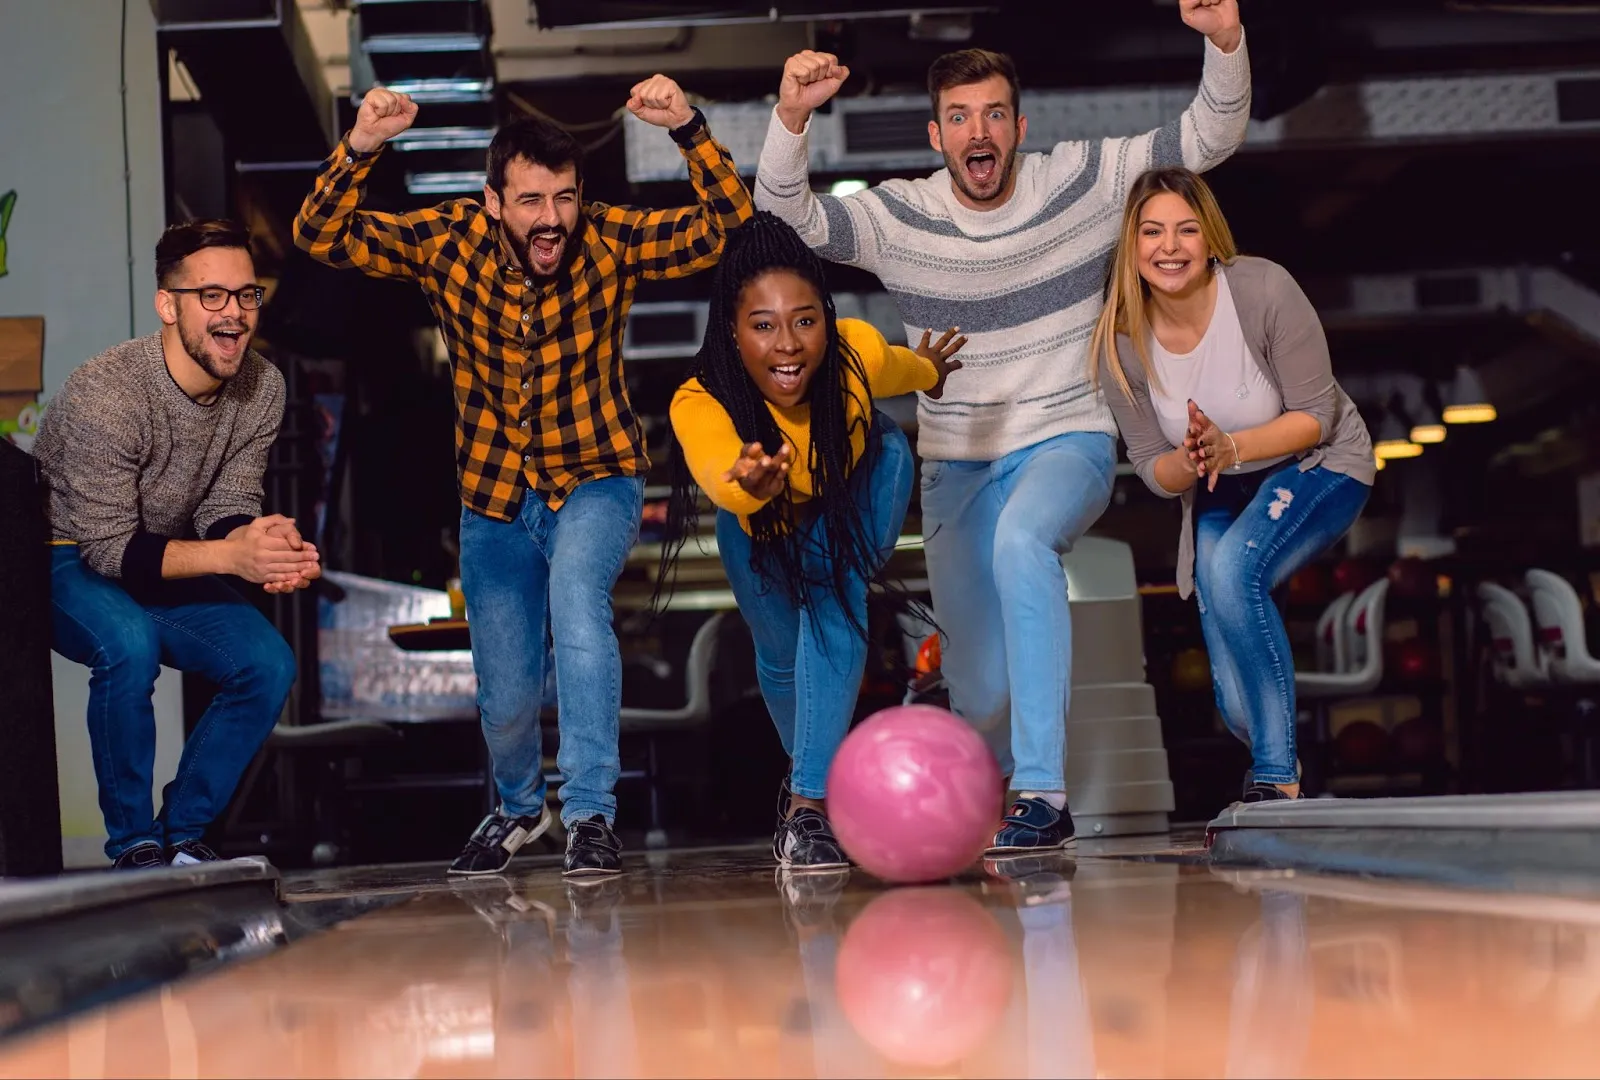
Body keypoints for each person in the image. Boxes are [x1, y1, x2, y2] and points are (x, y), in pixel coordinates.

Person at [754, 0, 1250, 851]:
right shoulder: (898, 217)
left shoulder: (1083, 182)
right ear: (937, 135)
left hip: (1068, 439)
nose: (976, 132)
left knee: (1025, 544)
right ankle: (978, 788)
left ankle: (1043, 795)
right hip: (958, 465)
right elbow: (784, 214)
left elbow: (1206, 139)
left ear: (1018, 127)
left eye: (992, 114)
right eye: (958, 118)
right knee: (979, 688)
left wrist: (1225, 41)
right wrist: (791, 117)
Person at [294, 75, 754, 877]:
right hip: (493, 500)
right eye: (533, 201)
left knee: (579, 608)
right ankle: (517, 808)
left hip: (597, 479)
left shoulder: (608, 239)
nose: (552, 220)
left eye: (565, 199)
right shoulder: (447, 239)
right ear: (491, 201)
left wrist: (688, 129)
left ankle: (589, 816)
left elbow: (729, 228)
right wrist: (362, 146)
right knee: (505, 699)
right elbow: (321, 235)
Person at [659, 211, 965, 869]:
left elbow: (902, 368)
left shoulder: (852, 350)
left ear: (825, 318)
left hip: (857, 489)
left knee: (831, 596)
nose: (788, 344)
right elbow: (720, 473)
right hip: (757, 523)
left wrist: (932, 371)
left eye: (804, 320)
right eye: (763, 326)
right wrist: (749, 482)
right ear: (734, 334)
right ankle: (821, 781)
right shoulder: (700, 397)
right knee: (778, 654)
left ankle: (807, 807)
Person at [35, 219, 321, 871]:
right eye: (212, 296)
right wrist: (232, 557)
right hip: (63, 554)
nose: (235, 315)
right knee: (128, 645)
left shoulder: (261, 387)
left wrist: (260, 540)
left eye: (247, 295)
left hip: (154, 554)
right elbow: (109, 552)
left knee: (267, 663)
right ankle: (134, 845)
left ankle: (186, 835)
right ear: (169, 305)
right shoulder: (106, 393)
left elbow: (224, 504)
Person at [1090, 166, 1374, 804]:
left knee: (1231, 572)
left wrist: (1231, 445)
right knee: (1236, 705)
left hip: (1319, 465)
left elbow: (1314, 417)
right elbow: (1150, 465)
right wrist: (1193, 458)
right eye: (1153, 231)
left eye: (1187, 230)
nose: (1170, 246)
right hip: (1220, 481)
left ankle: (1278, 778)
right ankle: (1277, 753)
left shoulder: (1263, 289)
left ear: (1210, 236)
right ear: (1131, 246)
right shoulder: (1122, 344)